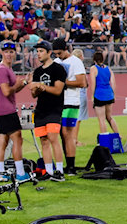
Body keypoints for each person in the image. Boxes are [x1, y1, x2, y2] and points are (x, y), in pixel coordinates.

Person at [27, 41, 67, 180]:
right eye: (37, 51)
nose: (38, 54)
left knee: (53, 138)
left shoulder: (58, 69)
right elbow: (34, 95)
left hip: (54, 109)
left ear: (49, 52)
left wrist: (41, 85)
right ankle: (48, 172)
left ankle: (60, 171)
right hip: (41, 110)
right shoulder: (37, 71)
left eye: (41, 51)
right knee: (44, 140)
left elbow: (57, 90)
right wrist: (33, 87)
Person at [0, 42, 29, 180]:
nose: (9, 54)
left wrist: (23, 83)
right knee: (17, 139)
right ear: (2, 52)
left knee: (3, 140)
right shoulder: (2, 69)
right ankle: (20, 173)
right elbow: (7, 91)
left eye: (11, 52)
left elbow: (12, 90)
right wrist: (18, 85)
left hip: (2, 109)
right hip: (6, 109)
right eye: (6, 51)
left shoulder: (7, 68)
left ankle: (1, 172)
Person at [52, 38, 86, 173]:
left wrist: (63, 83)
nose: (58, 56)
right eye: (55, 54)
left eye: (59, 53)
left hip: (71, 102)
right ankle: (65, 164)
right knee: (60, 134)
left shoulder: (76, 62)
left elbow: (82, 82)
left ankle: (71, 166)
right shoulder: (56, 62)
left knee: (68, 134)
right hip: (58, 102)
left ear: (66, 49)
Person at [90, 50, 118, 139]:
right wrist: (113, 94)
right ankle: (117, 135)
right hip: (109, 94)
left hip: (99, 95)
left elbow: (93, 84)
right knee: (109, 117)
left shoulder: (93, 68)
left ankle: (104, 139)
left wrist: (92, 95)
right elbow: (113, 83)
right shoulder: (108, 68)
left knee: (101, 119)